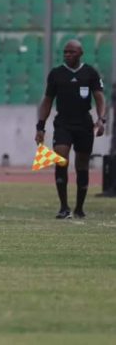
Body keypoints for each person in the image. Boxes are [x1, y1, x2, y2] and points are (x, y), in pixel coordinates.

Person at [35, 39, 106, 219]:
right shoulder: (56, 74)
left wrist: (101, 119)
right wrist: (40, 126)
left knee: (82, 164)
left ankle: (79, 208)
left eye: (71, 52)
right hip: (63, 123)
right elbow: (47, 101)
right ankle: (64, 207)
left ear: (80, 53)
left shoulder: (90, 73)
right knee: (61, 159)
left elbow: (99, 98)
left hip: (84, 124)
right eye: (65, 52)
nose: (67, 55)